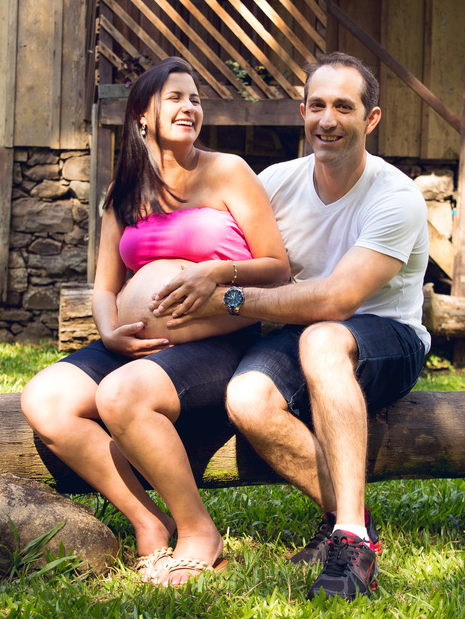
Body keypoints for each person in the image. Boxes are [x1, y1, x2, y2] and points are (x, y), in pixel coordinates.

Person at [151, 51, 431, 601]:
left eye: (344, 107)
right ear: (302, 112)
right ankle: (352, 520)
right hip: (295, 331)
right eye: (317, 105)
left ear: (371, 119)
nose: (328, 120)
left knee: (324, 337)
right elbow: (222, 247)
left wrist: (228, 297)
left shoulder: (396, 196)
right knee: (247, 399)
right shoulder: (276, 183)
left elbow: (337, 299)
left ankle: (349, 541)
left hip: (386, 333)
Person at [20, 57, 289, 586]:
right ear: (143, 114)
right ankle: (148, 522)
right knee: (44, 401)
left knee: (119, 397)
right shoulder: (124, 190)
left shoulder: (228, 171)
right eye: (175, 98)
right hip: (133, 346)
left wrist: (216, 271)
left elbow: (277, 268)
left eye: (195, 99)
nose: (189, 107)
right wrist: (108, 330)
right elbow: (105, 285)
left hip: (220, 341)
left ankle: (199, 532)